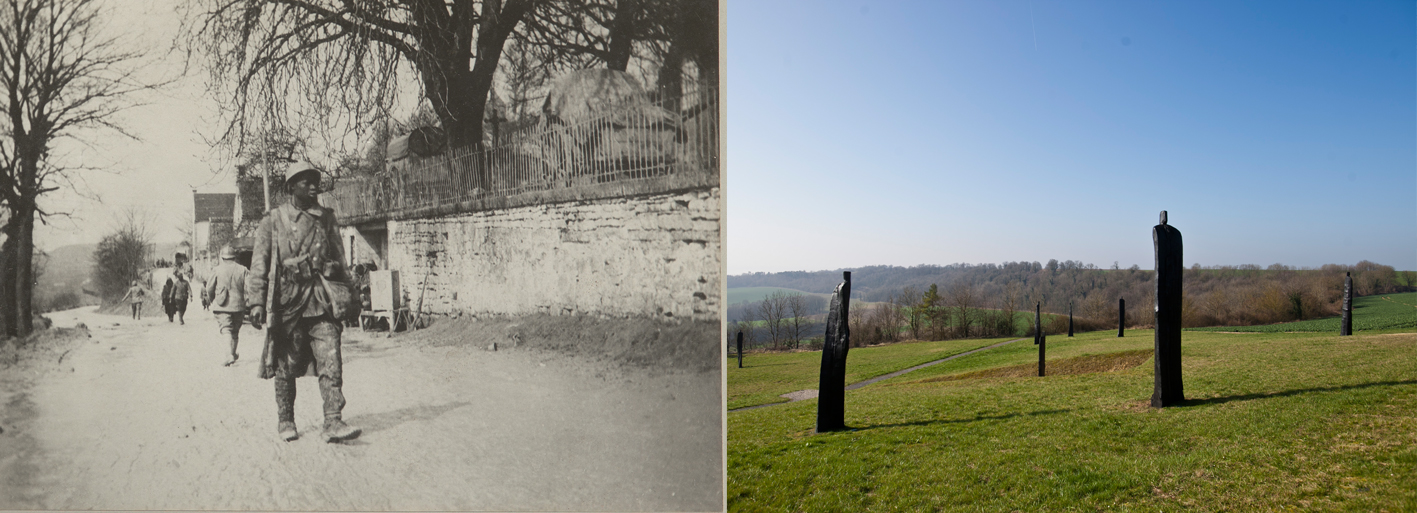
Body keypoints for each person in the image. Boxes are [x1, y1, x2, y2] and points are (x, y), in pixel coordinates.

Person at [247, 161, 361, 443]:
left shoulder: (326, 218)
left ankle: (333, 421)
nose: (313, 187)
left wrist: (350, 294)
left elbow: (342, 261)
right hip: (287, 303)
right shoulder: (273, 220)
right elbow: (259, 264)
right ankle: (286, 419)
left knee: (331, 359)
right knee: (286, 364)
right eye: (305, 182)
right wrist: (257, 303)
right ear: (290, 187)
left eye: (315, 181)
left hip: (321, 300)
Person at [205, 245, 248, 366]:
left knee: (226, 329)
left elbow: (209, 288)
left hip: (222, 306)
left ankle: (229, 355)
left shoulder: (217, 270)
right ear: (234, 257)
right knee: (235, 331)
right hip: (239, 306)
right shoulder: (243, 269)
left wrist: (211, 298)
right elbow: (249, 287)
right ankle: (233, 354)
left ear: (222, 257)